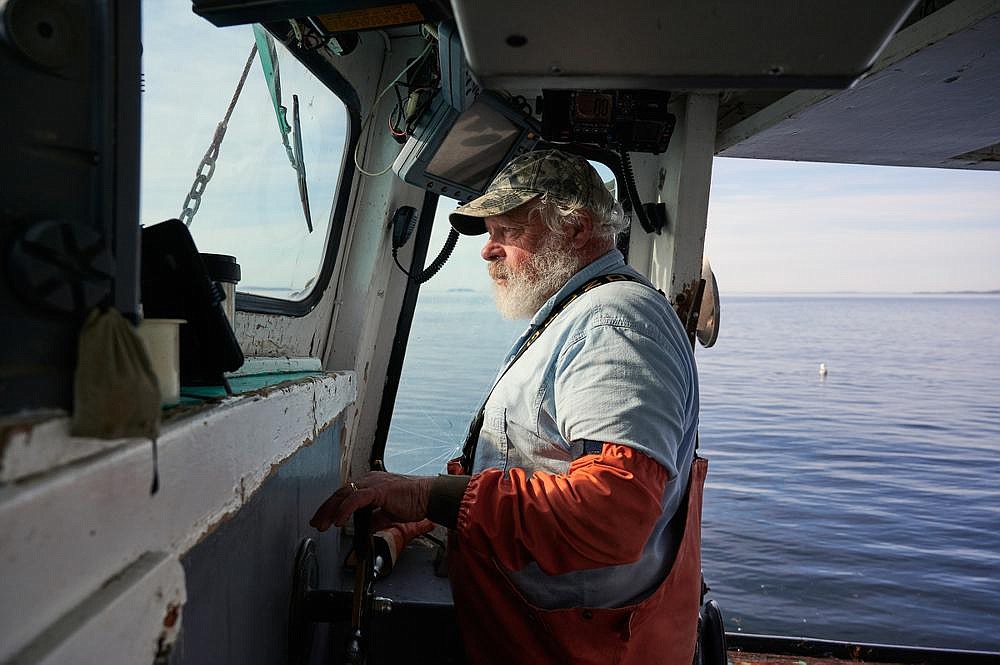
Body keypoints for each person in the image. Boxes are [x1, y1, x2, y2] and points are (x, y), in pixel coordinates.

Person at [311, 149, 705, 664]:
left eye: (506, 231)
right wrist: (419, 517)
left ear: (576, 230)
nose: (487, 250)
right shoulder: (578, 313)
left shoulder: (612, 326)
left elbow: (612, 514)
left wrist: (428, 494)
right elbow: (533, 469)